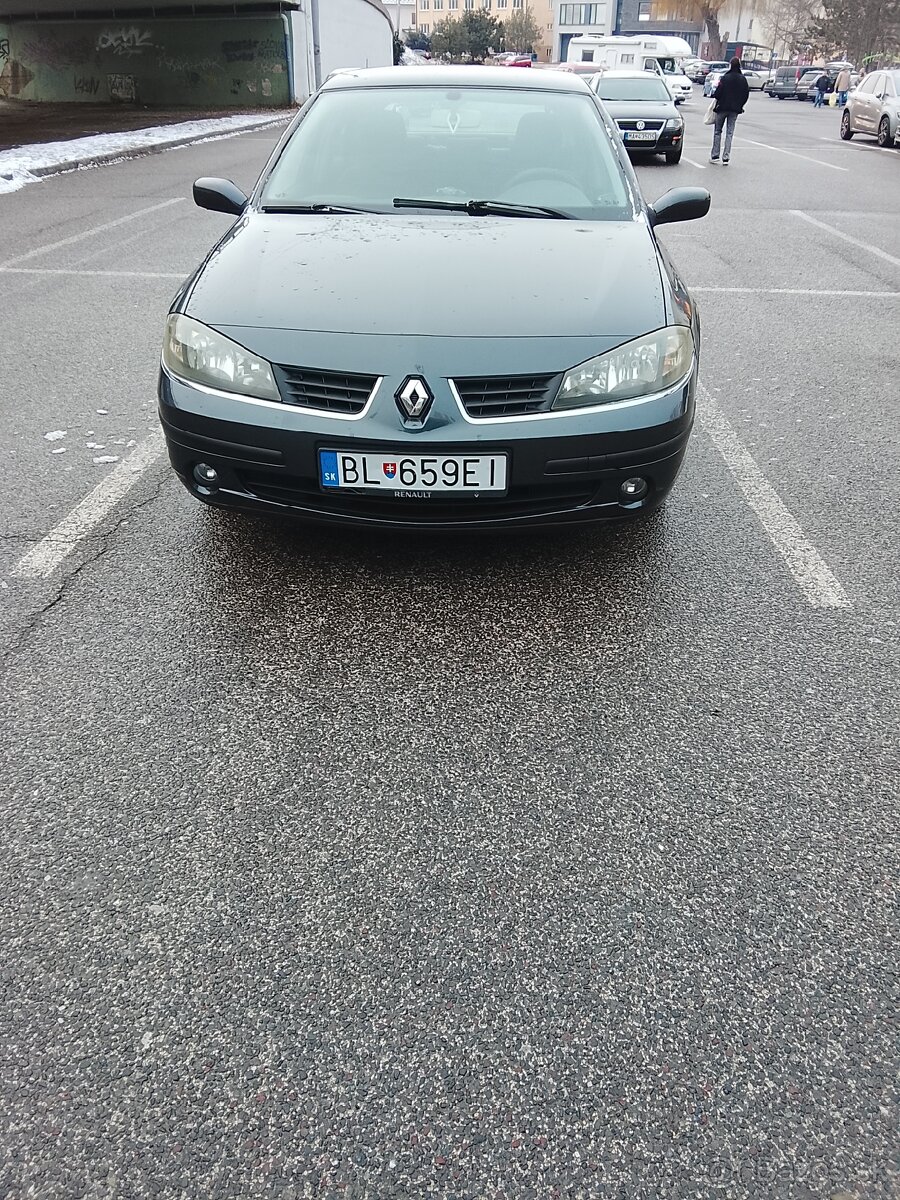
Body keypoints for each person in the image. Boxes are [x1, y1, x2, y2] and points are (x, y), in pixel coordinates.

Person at [710, 58, 750, 165]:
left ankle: (715, 155)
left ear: (730, 65)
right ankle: (726, 157)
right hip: (735, 110)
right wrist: (740, 105)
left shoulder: (725, 78)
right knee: (729, 133)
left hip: (722, 108)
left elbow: (717, 94)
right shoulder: (743, 79)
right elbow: (746, 94)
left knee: (718, 131)